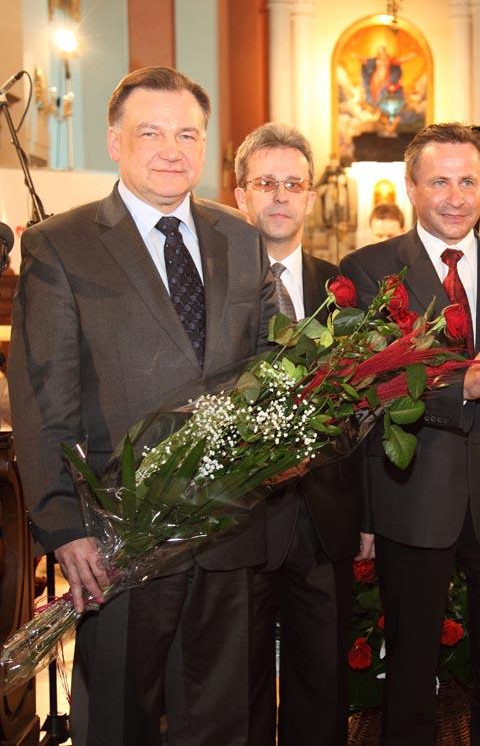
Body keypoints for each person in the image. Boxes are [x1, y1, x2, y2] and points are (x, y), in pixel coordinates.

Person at [8, 67, 278, 746]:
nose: (170, 149)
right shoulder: (61, 245)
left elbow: (272, 366)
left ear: (205, 143)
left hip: (228, 532)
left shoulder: (241, 238)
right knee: (118, 722)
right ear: (114, 142)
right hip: (116, 537)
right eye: (150, 132)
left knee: (220, 724)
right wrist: (63, 527)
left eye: (187, 134)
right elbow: (44, 401)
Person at [340, 123, 480, 746]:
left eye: (468, 182)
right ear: (411, 186)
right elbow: (364, 385)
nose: (455, 198)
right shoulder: (369, 270)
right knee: (410, 667)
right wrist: (460, 389)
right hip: (412, 496)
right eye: (440, 182)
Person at [233, 122, 357, 744]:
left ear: (310, 196)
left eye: (293, 184)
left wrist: (365, 519)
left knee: (322, 682)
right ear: (240, 195)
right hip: (237, 521)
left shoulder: (343, 289)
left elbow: (364, 409)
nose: (280, 196)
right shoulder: (212, 287)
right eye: (266, 183)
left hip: (322, 517)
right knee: (239, 683)